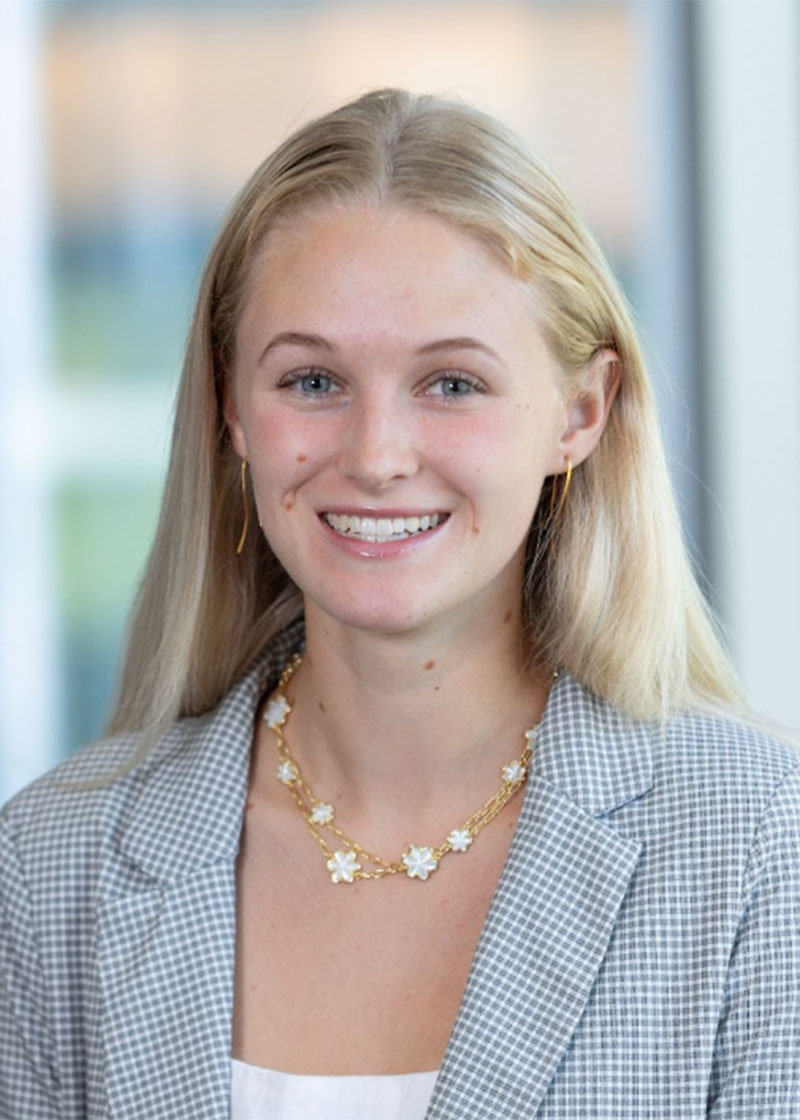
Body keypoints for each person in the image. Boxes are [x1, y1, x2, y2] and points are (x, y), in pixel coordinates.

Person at [1, 88, 799, 1120]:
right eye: (312, 381)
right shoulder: (49, 867)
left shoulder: (755, 848)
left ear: (579, 412)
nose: (375, 457)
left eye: (452, 384)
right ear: (230, 408)